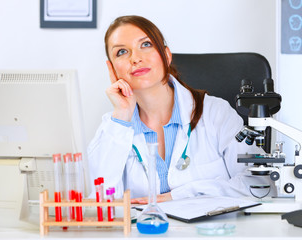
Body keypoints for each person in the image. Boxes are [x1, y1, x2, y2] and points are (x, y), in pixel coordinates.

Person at [88, 15, 259, 203]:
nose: (135, 58)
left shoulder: (216, 113)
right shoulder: (114, 127)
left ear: (166, 55)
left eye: (145, 45)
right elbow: (99, 198)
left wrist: (178, 196)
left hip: (210, 230)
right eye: (121, 52)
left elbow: (257, 184)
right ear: (112, 69)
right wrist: (121, 117)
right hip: (144, 232)